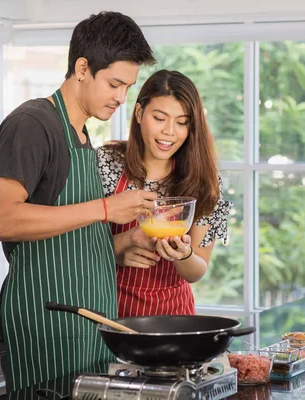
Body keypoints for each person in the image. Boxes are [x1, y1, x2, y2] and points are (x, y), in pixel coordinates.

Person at [0, 12, 157, 391]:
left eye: (128, 87)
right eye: (114, 84)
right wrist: (109, 208)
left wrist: (121, 245)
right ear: (82, 68)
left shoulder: (80, 134)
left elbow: (62, 237)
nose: (121, 98)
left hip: (88, 328)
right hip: (47, 327)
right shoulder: (32, 123)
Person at [97, 69, 232, 318]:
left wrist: (184, 255)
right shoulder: (106, 163)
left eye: (182, 122)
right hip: (107, 314)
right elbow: (75, 248)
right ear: (139, 113)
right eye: (160, 118)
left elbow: (197, 270)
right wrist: (116, 252)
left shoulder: (204, 182)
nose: (170, 131)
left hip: (173, 318)